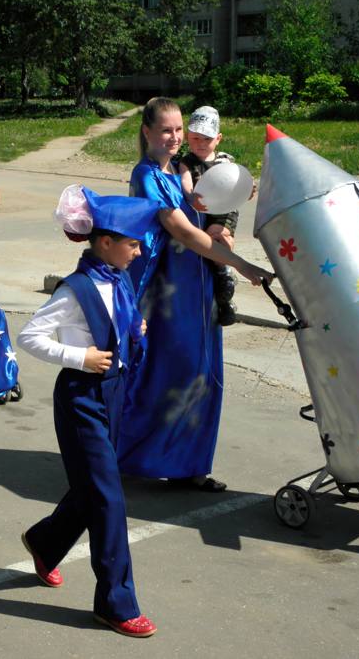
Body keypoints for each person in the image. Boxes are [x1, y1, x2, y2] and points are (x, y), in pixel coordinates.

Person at [17, 185, 161, 638]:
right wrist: (80, 358)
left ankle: (44, 542)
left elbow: (119, 321)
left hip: (113, 393)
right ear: (104, 242)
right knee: (109, 498)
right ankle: (115, 603)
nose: (139, 251)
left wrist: (131, 326)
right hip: (81, 397)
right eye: (133, 243)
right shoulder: (75, 289)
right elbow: (29, 336)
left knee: (91, 489)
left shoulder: (119, 279)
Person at [118, 97, 272, 490]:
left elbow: (208, 207)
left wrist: (236, 191)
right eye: (166, 130)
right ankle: (131, 457)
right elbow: (184, 231)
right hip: (168, 296)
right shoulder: (148, 176)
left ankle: (191, 466)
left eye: (178, 130)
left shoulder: (177, 175)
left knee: (202, 375)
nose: (174, 137)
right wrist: (241, 264)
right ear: (147, 132)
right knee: (168, 377)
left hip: (197, 290)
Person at [178, 106, 245, 326]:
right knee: (211, 243)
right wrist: (191, 197)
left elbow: (240, 182)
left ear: (218, 139)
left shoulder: (226, 160)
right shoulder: (187, 162)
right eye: (195, 137)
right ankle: (223, 276)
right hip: (203, 210)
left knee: (221, 238)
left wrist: (248, 189)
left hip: (224, 212)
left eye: (206, 138)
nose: (200, 143)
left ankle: (224, 281)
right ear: (188, 137)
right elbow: (186, 184)